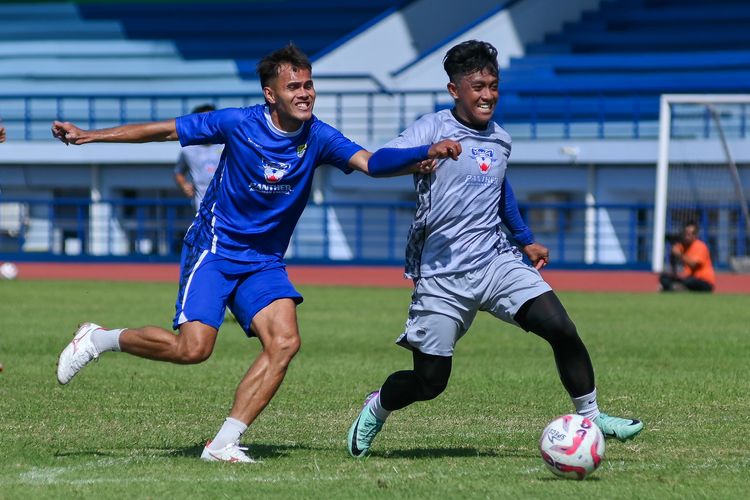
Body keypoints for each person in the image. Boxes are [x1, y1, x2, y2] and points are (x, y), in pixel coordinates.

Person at [51, 43, 460, 463]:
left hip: (263, 260)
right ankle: (99, 338)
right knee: (193, 349)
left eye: (309, 85)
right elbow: (165, 130)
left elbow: (371, 164)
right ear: (270, 94)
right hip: (215, 249)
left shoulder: (318, 136)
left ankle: (224, 442)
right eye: (293, 87)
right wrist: (89, 136)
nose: (305, 94)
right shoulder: (237, 123)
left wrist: (422, 154)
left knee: (284, 342)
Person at [346, 40, 644, 459]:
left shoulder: (501, 139)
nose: (487, 95)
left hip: (496, 261)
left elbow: (501, 190)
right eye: (478, 86)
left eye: (493, 85)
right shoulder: (432, 127)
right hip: (442, 276)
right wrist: (425, 152)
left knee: (560, 327)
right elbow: (377, 164)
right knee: (430, 383)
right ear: (455, 91)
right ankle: (378, 406)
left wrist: (525, 240)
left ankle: (590, 417)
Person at [173, 104, 224, 211]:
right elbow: (178, 172)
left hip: (228, 205)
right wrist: (184, 185)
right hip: (202, 207)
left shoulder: (226, 144)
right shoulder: (188, 150)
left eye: (211, 119)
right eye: (203, 120)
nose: (207, 124)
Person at [659, 221, 715, 292]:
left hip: (703, 281)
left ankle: (676, 288)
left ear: (695, 236)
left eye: (689, 234)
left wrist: (679, 255)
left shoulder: (700, 246)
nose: (686, 236)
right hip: (688, 278)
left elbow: (693, 265)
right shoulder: (682, 246)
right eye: (685, 233)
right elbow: (673, 262)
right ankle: (675, 288)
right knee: (664, 278)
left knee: (689, 281)